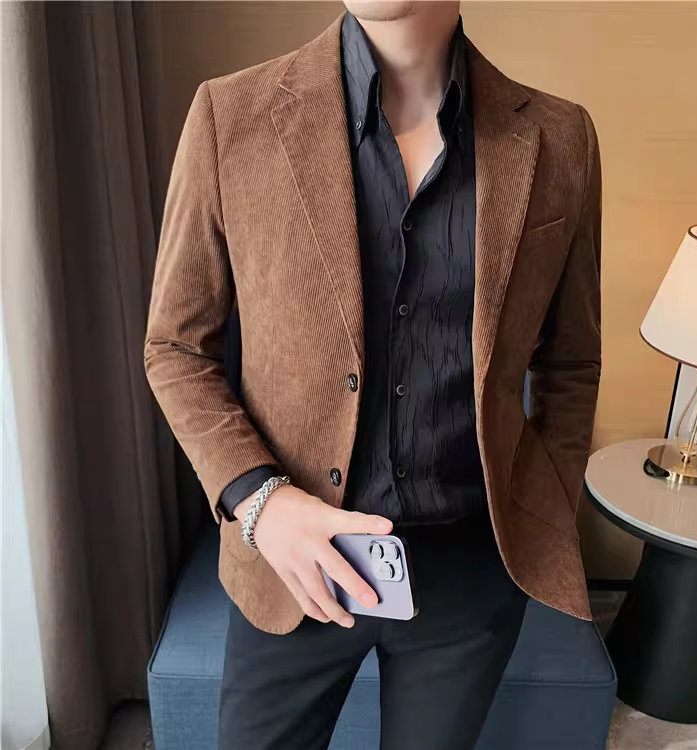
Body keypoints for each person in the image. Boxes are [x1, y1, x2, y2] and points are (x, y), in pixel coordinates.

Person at [144, 2, 602, 748]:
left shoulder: (560, 138)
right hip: (291, 561)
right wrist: (260, 504)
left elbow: (573, 361)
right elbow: (175, 347)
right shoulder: (232, 116)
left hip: (469, 576)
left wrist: (543, 503)